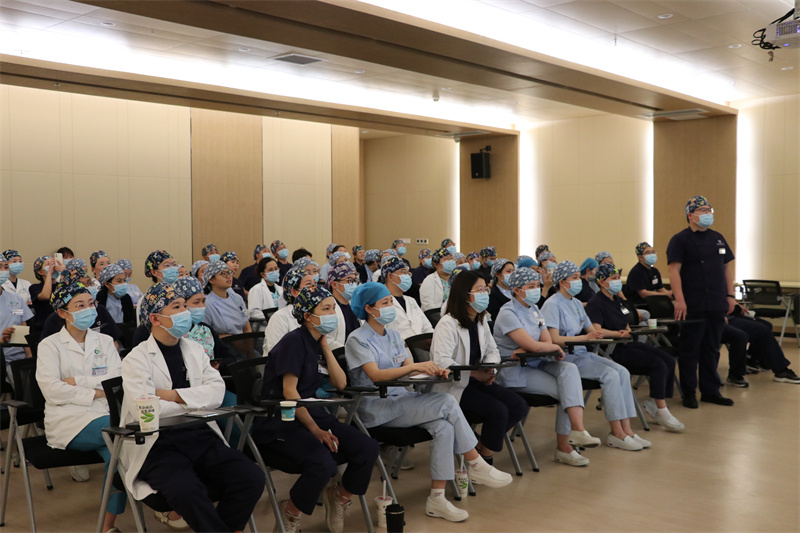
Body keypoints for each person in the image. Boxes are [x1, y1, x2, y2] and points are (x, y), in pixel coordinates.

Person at [345, 282, 512, 523]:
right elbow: (376, 375)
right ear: (369, 309)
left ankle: (437, 498)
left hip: (402, 400)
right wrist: (414, 366)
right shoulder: (357, 339)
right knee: (446, 402)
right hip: (377, 407)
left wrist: (433, 370)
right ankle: (476, 462)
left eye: (391, 301)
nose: (391, 306)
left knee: (444, 427)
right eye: (385, 303)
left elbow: (409, 369)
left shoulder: (393, 335)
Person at [119, 282, 265, 532]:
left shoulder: (195, 350)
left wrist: (172, 396)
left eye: (185, 306)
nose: (185, 312)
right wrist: (194, 403)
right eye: (176, 307)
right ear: (155, 318)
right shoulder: (136, 359)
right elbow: (148, 411)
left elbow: (217, 392)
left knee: (251, 477)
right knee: (187, 491)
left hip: (199, 435)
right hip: (158, 445)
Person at [253, 285, 379, 533]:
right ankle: (290, 511)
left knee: (368, 448)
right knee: (323, 465)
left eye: (333, 308)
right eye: (326, 309)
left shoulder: (317, 342)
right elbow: (290, 393)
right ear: (308, 316)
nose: (333, 314)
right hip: (282, 418)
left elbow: (340, 383)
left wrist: (326, 348)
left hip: (311, 411)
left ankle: (339, 496)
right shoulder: (293, 342)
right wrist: (316, 430)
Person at [36, 282, 125, 533]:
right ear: (62, 312)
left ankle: (107, 526)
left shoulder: (104, 340)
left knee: (119, 456)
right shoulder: (50, 345)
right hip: (69, 419)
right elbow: (52, 390)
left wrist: (79, 382)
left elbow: (117, 379)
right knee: (121, 437)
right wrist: (97, 392)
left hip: (105, 412)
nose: (88, 309)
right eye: (79, 305)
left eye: (90, 304)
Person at [493, 267, 602, 466]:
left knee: (569, 369)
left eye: (538, 285)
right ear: (516, 290)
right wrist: (544, 347)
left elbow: (545, 342)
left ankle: (577, 430)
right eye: (531, 286)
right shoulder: (507, 312)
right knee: (566, 390)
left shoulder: (535, 309)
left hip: (537, 361)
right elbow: (537, 345)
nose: (536, 290)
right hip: (515, 368)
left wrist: (538, 347)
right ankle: (564, 447)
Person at [541, 261, 650, 451]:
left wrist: (614, 333)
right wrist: (585, 337)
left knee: (622, 372)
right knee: (610, 375)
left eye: (579, 277)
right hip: (565, 357)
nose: (579, 281)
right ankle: (616, 433)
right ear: (562, 282)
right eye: (574, 278)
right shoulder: (552, 304)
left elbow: (592, 330)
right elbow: (554, 339)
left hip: (582, 353)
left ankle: (627, 430)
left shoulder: (576, 303)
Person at [431, 270, 529, 466]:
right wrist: (475, 373)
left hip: (476, 382)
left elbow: (493, 350)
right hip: (454, 386)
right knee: (498, 411)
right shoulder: (447, 324)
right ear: (465, 294)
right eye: (479, 290)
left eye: (486, 289)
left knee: (519, 406)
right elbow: (441, 362)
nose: (485, 294)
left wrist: (490, 369)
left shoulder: (480, 319)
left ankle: (481, 448)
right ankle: (485, 461)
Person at [585, 263, 684, 432]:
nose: (617, 281)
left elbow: (626, 323)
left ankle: (655, 402)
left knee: (668, 359)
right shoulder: (596, 303)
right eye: (613, 278)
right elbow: (596, 330)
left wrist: (627, 330)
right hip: (612, 349)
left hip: (628, 342)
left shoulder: (618, 301)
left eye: (618, 278)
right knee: (658, 364)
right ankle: (661, 410)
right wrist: (618, 334)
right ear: (601, 282)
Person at [667, 195, 736, 408]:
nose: (707, 214)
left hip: (716, 302)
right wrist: (679, 299)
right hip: (693, 303)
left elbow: (726, 268)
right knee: (690, 349)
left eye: (709, 210)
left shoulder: (718, 238)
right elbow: (673, 271)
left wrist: (730, 295)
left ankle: (710, 391)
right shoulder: (680, 239)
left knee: (712, 348)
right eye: (703, 210)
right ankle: (689, 392)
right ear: (690, 215)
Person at [41, 266, 122, 344]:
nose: (87, 287)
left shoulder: (100, 310)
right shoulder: (54, 320)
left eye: (89, 283)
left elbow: (114, 342)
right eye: (80, 305)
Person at [723, 305, 800, 386]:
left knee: (767, 325)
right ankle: (781, 370)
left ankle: (752, 359)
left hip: (728, 313)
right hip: (720, 316)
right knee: (762, 330)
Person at [263, 266, 318, 353]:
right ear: (294, 292)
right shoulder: (279, 318)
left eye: (314, 284)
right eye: (308, 284)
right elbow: (276, 352)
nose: (314, 288)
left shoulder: (316, 313)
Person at [381, 257, 433, 341]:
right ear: (390, 276)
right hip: (398, 348)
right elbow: (382, 336)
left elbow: (427, 328)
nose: (407, 276)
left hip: (421, 347)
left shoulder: (411, 301)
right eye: (403, 272)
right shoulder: (380, 303)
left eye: (408, 273)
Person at [0, 253, 34, 375]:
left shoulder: (15, 299)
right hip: (2, 358)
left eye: (6, 267)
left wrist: (29, 354)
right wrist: (2, 340)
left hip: (20, 357)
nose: (3, 271)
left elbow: (22, 326)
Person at [202, 260, 251, 337]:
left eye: (229, 273)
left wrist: (248, 342)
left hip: (243, 341)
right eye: (223, 274)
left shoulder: (237, 298)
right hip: (221, 343)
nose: (228, 277)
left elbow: (247, 328)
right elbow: (206, 335)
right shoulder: (206, 303)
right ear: (211, 280)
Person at [326, 262, 361, 341]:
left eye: (355, 280)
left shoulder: (354, 305)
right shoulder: (327, 308)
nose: (354, 284)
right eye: (349, 280)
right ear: (334, 285)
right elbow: (327, 339)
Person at [247, 256, 285, 328]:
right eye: (270, 270)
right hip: (264, 327)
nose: (274, 272)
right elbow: (254, 312)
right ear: (263, 274)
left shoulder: (281, 290)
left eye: (276, 269)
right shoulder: (256, 289)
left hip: (282, 325)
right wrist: (272, 317)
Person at [29, 256, 65, 330]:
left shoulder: (61, 285)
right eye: (48, 264)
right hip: (42, 328)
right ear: (40, 272)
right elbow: (45, 296)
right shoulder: (35, 287)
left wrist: (64, 272)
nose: (53, 266)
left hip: (61, 326)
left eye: (54, 263)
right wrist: (49, 274)